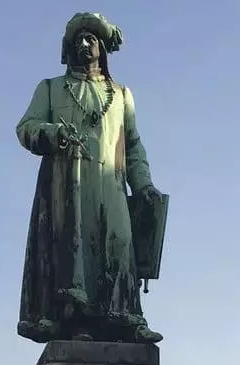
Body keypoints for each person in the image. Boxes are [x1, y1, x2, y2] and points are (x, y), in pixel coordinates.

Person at [15, 12, 163, 344]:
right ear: (67, 49)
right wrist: (53, 134)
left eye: (91, 38)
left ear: (101, 48)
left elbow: (134, 145)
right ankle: (76, 320)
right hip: (69, 182)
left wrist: (143, 185)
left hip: (111, 183)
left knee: (119, 244)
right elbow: (26, 128)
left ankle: (126, 319)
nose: (84, 44)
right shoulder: (51, 88)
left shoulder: (122, 94)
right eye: (77, 39)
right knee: (75, 248)